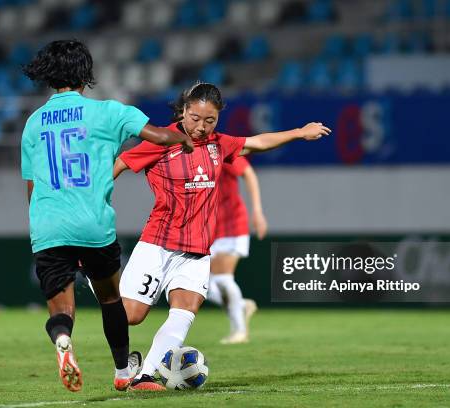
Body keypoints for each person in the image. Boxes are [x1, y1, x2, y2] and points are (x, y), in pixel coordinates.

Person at [113, 82, 331, 391]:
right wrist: (93, 199)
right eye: (194, 118)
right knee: (131, 316)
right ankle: (107, 305)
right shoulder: (161, 139)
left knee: (185, 310)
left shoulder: (219, 144)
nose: (200, 127)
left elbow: (257, 142)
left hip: (198, 249)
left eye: (209, 120)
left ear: (217, 119)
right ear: (183, 111)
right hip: (157, 244)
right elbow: (121, 162)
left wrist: (298, 132)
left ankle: (145, 376)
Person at [20, 39, 193, 393]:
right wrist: (184, 139)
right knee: (111, 299)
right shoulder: (109, 112)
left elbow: (31, 188)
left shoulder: (33, 123)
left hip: (49, 224)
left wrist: (43, 225)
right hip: (93, 224)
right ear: (86, 73)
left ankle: (64, 339)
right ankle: (121, 370)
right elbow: (159, 137)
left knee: (61, 309)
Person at [207, 155, 267, 344]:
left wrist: (257, 211)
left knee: (224, 278)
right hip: (209, 228)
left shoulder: (221, 149)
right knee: (205, 286)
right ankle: (240, 305)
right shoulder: (188, 152)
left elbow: (248, 173)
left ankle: (240, 331)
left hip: (232, 224)